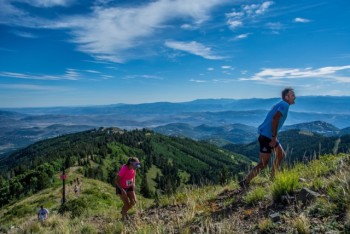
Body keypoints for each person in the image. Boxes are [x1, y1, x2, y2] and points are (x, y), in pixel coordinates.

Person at [239, 88, 296, 188]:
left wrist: (273, 137)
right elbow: (275, 118)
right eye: (292, 95)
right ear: (286, 97)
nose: (294, 97)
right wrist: (274, 137)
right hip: (267, 137)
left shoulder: (281, 104)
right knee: (263, 164)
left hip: (267, 136)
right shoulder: (285, 105)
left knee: (280, 154)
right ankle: (245, 182)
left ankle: (273, 178)